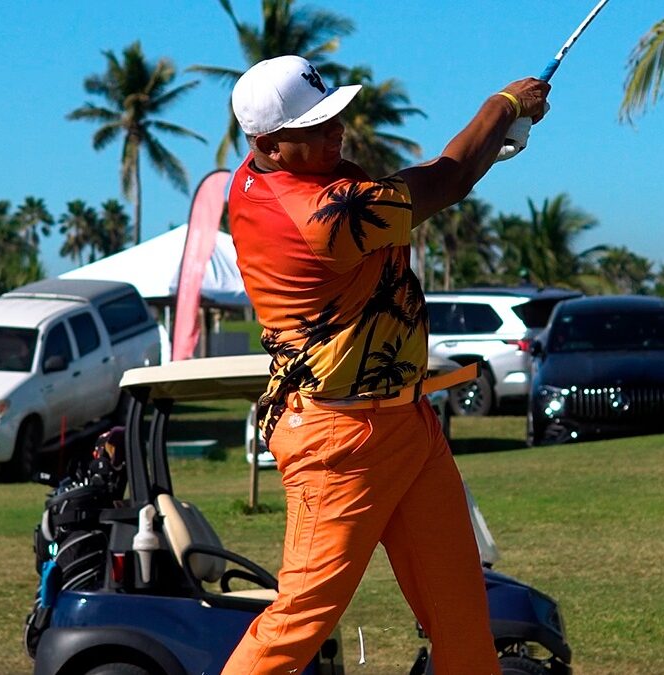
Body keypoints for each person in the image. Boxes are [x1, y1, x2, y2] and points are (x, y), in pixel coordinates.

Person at [224, 54, 550, 675]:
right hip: (338, 440)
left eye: (335, 115)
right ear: (269, 144)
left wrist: (490, 140)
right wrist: (502, 107)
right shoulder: (321, 216)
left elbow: (418, 180)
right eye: (315, 127)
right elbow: (444, 182)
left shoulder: (264, 178)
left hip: (404, 422)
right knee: (299, 620)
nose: (336, 131)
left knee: (460, 614)